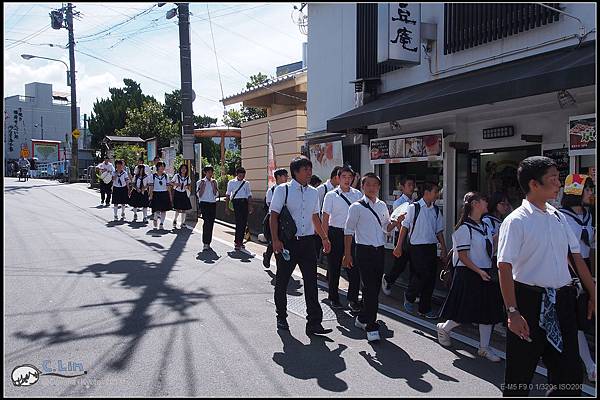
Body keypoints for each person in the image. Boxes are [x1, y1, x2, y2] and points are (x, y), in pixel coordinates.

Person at [497, 156, 595, 397]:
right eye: (552, 179)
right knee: (519, 378)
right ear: (534, 184)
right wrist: (513, 311)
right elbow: (504, 266)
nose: (558, 184)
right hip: (528, 302)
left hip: (562, 301)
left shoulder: (558, 217)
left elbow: (576, 258)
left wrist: (593, 292)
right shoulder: (516, 220)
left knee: (569, 376)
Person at [436, 192, 504, 362]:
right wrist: (478, 271)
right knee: (465, 311)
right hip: (468, 273)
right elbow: (464, 256)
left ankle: (484, 347)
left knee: (487, 312)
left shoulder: (485, 226)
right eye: (483, 200)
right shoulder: (464, 228)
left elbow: (490, 246)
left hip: (485, 271)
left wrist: (502, 233)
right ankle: (444, 328)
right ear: (474, 204)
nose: (487, 202)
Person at [270, 156, 333, 336]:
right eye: (305, 170)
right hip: (288, 242)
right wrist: (275, 240)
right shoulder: (283, 190)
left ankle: (314, 323)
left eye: (310, 169)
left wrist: (324, 238)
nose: (309, 173)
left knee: (311, 283)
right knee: (282, 281)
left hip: (307, 243)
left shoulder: (314, 192)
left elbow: (315, 217)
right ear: (295, 172)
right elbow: (273, 216)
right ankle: (281, 316)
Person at [342, 173, 402, 342]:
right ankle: (371, 325)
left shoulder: (382, 205)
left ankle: (362, 318)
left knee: (374, 289)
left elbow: (386, 228)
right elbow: (348, 231)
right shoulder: (356, 207)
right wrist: (347, 254)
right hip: (363, 251)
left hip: (379, 251)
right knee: (369, 288)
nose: (372, 187)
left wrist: (397, 222)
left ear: (379, 187)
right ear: (363, 187)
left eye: (375, 185)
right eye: (368, 185)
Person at [559, 174, 596, 383]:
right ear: (576, 192)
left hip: (586, 267)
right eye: (588, 189)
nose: (591, 193)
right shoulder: (560, 216)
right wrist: (581, 278)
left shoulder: (590, 215)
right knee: (574, 319)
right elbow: (565, 251)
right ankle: (589, 366)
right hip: (568, 270)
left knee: (583, 317)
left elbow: (590, 246)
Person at [393, 181, 448, 319]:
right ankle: (410, 296)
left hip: (430, 247)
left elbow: (439, 231)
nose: (437, 195)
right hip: (416, 247)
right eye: (435, 191)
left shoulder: (435, 210)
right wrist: (399, 246)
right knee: (420, 275)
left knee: (430, 278)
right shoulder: (414, 207)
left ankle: (425, 308)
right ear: (427, 192)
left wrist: (444, 248)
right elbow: (404, 227)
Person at [322, 165, 363, 311]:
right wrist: (324, 238)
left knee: (354, 267)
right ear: (338, 178)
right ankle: (333, 297)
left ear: (353, 179)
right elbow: (325, 218)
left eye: (349, 177)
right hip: (335, 233)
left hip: (352, 234)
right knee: (334, 267)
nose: (347, 180)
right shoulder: (331, 195)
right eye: (344, 177)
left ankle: (352, 299)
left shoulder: (358, 195)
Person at [383, 176, 416, 296]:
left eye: (413, 185)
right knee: (400, 264)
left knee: (414, 264)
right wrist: (401, 241)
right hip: (402, 235)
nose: (412, 187)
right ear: (402, 187)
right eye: (409, 185)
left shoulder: (414, 202)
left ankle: (412, 292)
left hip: (413, 236)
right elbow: (397, 222)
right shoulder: (399, 202)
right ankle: (388, 279)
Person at [263, 168, 289, 268]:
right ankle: (269, 256)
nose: (287, 178)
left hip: (286, 221)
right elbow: (271, 207)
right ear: (278, 177)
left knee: (284, 241)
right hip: (275, 220)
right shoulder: (271, 190)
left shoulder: (288, 188)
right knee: (274, 240)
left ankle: (281, 263)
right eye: (285, 176)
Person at [226, 167, 254, 255]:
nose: (242, 176)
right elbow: (227, 194)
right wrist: (226, 207)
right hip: (236, 203)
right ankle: (237, 242)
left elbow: (249, 194)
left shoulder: (246, 183)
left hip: (244, 203)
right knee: (239, 222)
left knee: (244, 222)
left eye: (243, 175)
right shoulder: (231, 182)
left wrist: (250, 205)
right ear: (237, 174)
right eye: (240, 175)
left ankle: (240, 241)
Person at [482, 192, 512, 265]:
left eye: (507, 204)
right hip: (492, 259)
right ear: (495, 203)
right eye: (502, 204)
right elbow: (488, 243)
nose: (505, 207)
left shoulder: (501, 221)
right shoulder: (487, 220)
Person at [197, 165, 219, 251]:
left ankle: (208, 242)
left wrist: (214, 186)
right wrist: (202, 186)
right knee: (206, 222)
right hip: (204, 204)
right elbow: (199, 195)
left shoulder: (214, 182)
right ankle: (205, 243)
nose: (211, 174)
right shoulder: (200, 182)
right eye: (209, 172)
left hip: (212, 204)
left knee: (211, 223)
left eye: (211, 172)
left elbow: (216, 194)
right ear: (205, 173)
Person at [148, 161, 172, 230]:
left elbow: (168, 187)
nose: (162, 168)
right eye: (160, 166)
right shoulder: (152, 176)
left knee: (164, 210)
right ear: (157, 167)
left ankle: (161, 223)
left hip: (164, 193)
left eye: (163, 166)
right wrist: (150, 196)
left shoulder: (166, 176)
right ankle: (155, 218)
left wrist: (170, 196)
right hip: (156, 193)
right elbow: (151, 187)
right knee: (156, 210)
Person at [170, 164, 193, 230]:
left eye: (185, 169)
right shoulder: (176, 176)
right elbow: (171, 182)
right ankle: (175, 219)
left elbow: (189, 184)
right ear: (180, 169)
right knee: (177, 208)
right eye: (182, 168)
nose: (183, 170)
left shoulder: (187, 177)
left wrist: (187, 186)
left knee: (184, 209)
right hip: (177, 193)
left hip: (184, 193)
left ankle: (183, 222)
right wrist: (176, 184)